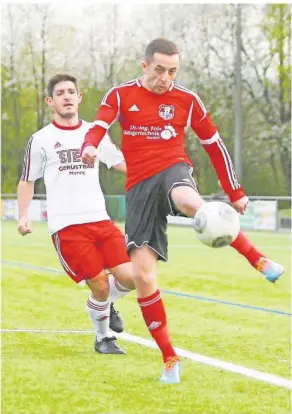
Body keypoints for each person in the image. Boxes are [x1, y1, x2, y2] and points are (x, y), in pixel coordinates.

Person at [81, 38, 285, 383]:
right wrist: (89, 146)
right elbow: (99, 126)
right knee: (144, 276)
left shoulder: (187, 100)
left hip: (173, 168)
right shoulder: (119, 95)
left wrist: (234, 191)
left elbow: (215, 146)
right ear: (144, 65)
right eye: (160, 69)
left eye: (173, 70)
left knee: (191, 202)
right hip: (139, 188)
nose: (166, 77)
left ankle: (258, 259)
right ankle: (169, 357)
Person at [17, 74, 136, 355]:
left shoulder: (95, 132)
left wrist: (156, 171)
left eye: (72, 91)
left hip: (100, 219)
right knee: (99, 284)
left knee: (132, 277)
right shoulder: (41, 139)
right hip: (67, 225)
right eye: (60, 93)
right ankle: (103, 338)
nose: (67, 96)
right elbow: (27, 180)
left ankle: (106, 303)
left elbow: (120, 163)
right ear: (51, 101)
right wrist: (24, 215)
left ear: (80, 97)